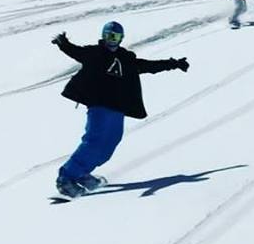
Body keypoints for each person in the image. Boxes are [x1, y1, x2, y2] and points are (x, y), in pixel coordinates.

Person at [51, 21, 189, 198]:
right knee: (94, 140)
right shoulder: (95, 53)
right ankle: (66, 177)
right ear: (103, 36)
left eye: (115, 37)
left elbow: (148, 66)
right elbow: (75, 52)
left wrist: (174, 63)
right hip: (98, 105)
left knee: (109, 144)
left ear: (121, 38)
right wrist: (63, 43)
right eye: (108, 36)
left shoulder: (126, 59)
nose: (111, 40)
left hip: (118, 108)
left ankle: (82, 173)